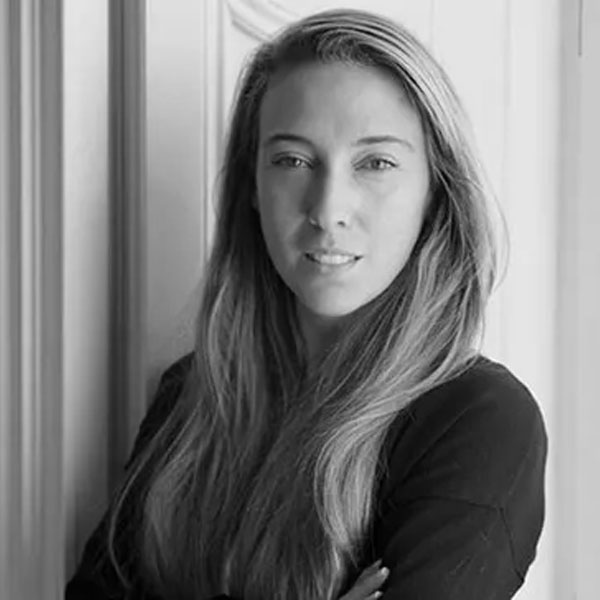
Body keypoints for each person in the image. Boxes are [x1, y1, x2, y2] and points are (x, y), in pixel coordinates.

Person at [65, 8, 547, 600]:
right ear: (251, 186)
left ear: (434, 192)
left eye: (375, 163)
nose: (327, 209)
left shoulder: (480, 420)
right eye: (293, 160)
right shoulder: (189, 397)